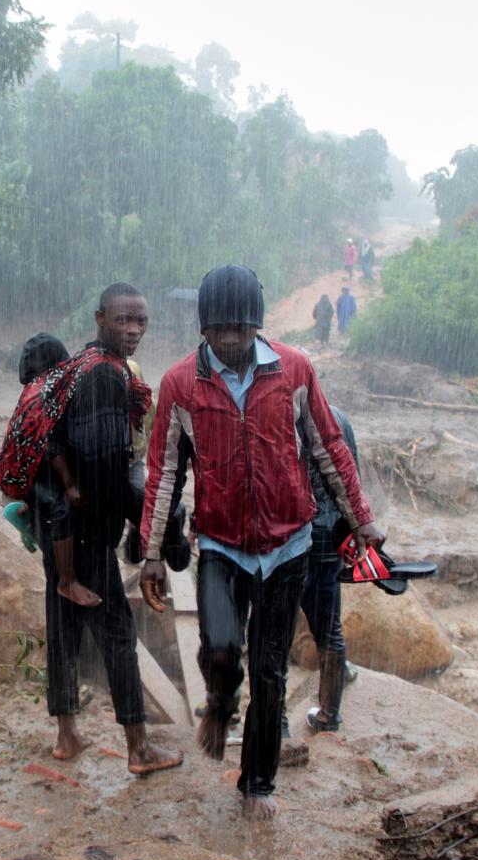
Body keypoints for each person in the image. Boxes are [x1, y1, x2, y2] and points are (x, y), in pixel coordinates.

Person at [139, 265, 382, 820]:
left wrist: (361, 519)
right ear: (203, 328)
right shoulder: (181, 385)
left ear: (257, 325)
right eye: (218, 330)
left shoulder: (294, 370)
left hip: (289, 546)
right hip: (221, 547)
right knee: (221, 648)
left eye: (240, 330)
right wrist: (152, 553)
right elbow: (164, 472)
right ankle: (221, 697)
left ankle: (258, 785)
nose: (229, 341)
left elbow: (329, 448)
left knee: (271, 669)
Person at [44, 284, 182, 776]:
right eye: (123, 320)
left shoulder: (78, 365)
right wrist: (143, 529)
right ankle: (138, 748)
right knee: (119, 637)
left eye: (141, 322)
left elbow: (60, 442)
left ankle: (66, 735)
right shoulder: (106, 377)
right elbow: (105, 463)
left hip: (56, 529)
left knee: (62, 632)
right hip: (85, 531)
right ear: (100, 317)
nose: (133, 331)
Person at [3, 333, 103, 608]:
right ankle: (67, 582)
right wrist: (70, 483)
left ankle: (25, 513)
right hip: (27, 471)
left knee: (49, 499)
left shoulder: (39, 387)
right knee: (61, 509)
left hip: (26, 469)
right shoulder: (45, 393)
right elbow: (50, 445)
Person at [302, 405, 358, 733]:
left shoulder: (283, 413)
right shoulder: (340, 417)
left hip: (294, 537)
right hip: (330, 535)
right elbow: (354, 479)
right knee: (329, 626)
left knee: (276, 628)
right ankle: (329, 713)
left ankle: (276, 719)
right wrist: (355, 526)